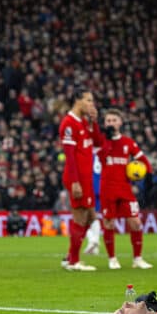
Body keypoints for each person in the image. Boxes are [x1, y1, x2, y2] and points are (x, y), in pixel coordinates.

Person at [97, 108, 153, 270]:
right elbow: (101, 158)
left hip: (125, 188)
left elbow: (143, 160)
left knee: (135, 222)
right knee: (109, 223)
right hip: (107, 188)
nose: (111, 123)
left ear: (120, 123)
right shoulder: (101, 142)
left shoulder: (128, 142)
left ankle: (138, 259)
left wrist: (149, 177)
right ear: (105, 123)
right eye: (108, 121)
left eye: (114, 120)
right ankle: (112, 259)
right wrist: (107, 140)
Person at [59, 88, 103, 271]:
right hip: (77, 179)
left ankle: (71, 257)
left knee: (90, 217)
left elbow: (99, 142)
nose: (92, 104)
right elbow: (70, 157)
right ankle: (74, 261)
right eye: (89, 100)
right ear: (78, 101)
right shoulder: (68, 124)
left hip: (86, 179)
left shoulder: (84, 122)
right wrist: (75, 182)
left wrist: (94, 122)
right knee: (81, 217)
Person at [84, 149, 102, 255]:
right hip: (102, 187)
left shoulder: (87, 154)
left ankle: (92, 239)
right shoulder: (103, 152)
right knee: (95, 216)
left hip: (90, 187)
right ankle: (95, 247)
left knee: (81, 219)